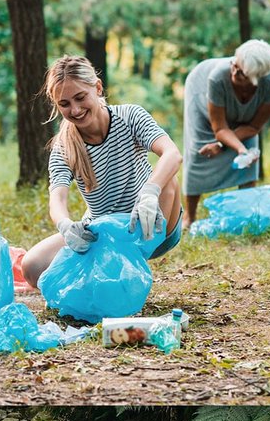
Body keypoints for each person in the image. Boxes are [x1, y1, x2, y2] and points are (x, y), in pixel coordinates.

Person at [19, 56, 184, 288]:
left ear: (97, 87)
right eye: (64, 104)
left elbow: (172, 154)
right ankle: (107, 269)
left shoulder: (130, 117)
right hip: (104, 232)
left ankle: (131, 265)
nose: (75, 110)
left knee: (169, 179)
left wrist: (149, 192)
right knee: (32, 266)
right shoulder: (64, 146)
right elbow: (58, 198)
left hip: (150, 225)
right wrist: (65, 225)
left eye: (80, 97)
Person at [182, 39, 270, 229]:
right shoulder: (218, 76)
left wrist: (234, 148)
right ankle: (190, 216)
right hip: (202, 96)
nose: (234, 71)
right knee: (200, 152)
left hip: (246, 122)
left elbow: (253, 127)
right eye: (234, 64)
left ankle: (247, 214)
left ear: (256, 78)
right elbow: (219, 129)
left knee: (249, 153)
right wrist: (237, 148)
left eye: (241, 72)